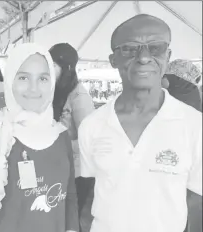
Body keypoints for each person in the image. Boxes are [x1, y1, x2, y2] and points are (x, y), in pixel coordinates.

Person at [78, 14, 202, 232]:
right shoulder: (92, 125)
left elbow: (196, 202)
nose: (144, 58)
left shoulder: (194, 124)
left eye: (156, 48)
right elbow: (90, 191)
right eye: (130, 48)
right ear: (113, 59)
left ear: (168, 56)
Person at [0, 43, 79, 232]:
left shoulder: (60, 135)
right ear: (10, 79)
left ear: (52, 82)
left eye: (43, 79)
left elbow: (69, 195)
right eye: (23, 77)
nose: (33, 88)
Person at [49, 43, 95, 218]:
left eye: (53, 65)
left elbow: (89, 143)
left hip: (77, 174)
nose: (48, 70)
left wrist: (58, 144)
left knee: (70, 219)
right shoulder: (58, 92)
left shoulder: (79, 98)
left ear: (67, 68)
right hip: (60, 168)